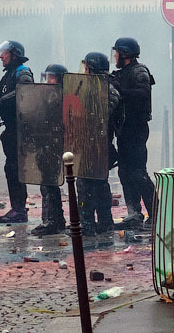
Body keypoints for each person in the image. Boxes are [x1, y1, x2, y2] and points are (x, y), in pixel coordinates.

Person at [111, 37, 156, 229]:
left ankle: (155, 214)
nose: (115, 57)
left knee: (138, 174)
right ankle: (134, 213)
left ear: (125, 53)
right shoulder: (122, 73)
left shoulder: (139, 71)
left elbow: (142, 93)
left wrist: (121, 90)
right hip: (124, 130)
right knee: (125, 172)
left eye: (117, 53)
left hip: (136, 129)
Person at [0, 40, 34, 224]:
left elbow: (25, 91)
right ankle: (17, 208)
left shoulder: (22, 72)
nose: (1, 56)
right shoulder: (8, 75)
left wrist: (0, 102)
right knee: (11, 168)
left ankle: (20, 210)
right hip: (10, 129)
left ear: (14, 54)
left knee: (15, 169)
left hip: (20, 129)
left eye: (5, 53)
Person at [79, 52, 122, 236]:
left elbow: (100, 115)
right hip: (85, 143)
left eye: (87, 67)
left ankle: (103, 223)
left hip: (99, 144)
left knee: (97, 185)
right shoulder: (87, 87)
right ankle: (88, 223)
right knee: (84, 184)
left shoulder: (108, 90)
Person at [31, 64, 69, 236]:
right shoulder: (46, 96)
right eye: (47, 77)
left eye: (52, 77)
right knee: (47, 184)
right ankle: (57, 220)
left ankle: (51, 221)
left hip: (55, 144)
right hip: (44, 143)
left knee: (49, 183)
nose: (48, 81)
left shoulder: (63, 97)